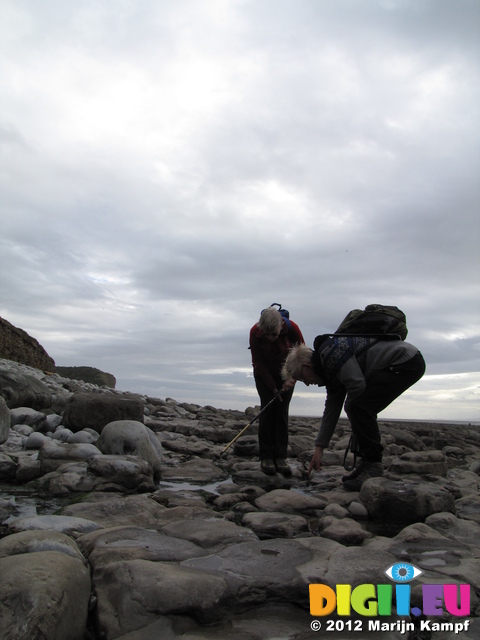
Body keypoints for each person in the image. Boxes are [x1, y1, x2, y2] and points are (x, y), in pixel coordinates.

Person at [281, 336, 426, 490]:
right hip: (400, 362)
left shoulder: (331, 356)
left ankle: (373, 464)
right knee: (357, 406)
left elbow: (357, 384)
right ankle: (368, 462)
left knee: (358, 406)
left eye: (302, 378)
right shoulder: (328, 371)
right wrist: (319, 449)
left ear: (307, 364)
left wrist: (351, 410)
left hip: (405, 361)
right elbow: (331, 410)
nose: (308, 383)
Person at [249, 305, 304, 476]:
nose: (271, 338)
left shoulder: (293, 329)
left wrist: (291, 379)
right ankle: (266, 456)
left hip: (287, 371)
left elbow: (302, 356)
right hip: (263, 373)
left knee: (281, 411)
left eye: (275, 334)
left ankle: (280, 456)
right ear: (261, 329)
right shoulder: (254, 332)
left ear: (281, 326)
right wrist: (272, 387)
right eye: (267, 334)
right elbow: (258, 362)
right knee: (267, 409)